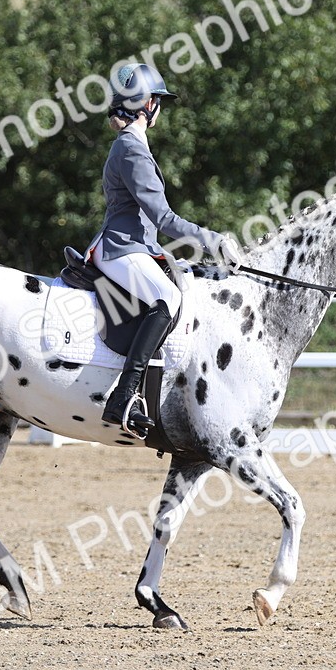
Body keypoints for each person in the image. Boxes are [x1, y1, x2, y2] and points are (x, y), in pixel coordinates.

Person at [86, 63, 242, 437]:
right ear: (148, 103)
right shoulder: (131, 149)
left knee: (180, 285)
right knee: (167, 298)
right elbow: (163, 217)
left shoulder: (130, 145)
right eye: (159, 102)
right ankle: (124, 396)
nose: (160, 110)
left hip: (136, 246)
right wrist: (213, 240)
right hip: (121, 248)